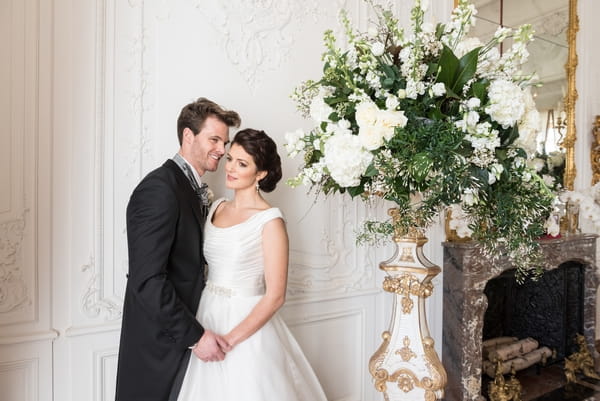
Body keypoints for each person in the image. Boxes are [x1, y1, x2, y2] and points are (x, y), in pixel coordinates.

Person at [176, 129, 328, 401]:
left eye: (242, 164)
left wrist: (230, 340)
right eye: (231, 159)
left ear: (261, 174)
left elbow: (275, 296)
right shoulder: (217, 206)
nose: (231, 168)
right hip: (207, 314)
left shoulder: (270, 221)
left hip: (246, 323)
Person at [115, 97, 241, 401]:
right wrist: (195, 336)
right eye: (214, 139)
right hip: (158, 347)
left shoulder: (190, 187)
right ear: (188, 136)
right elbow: (147, 282)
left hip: (185, 335)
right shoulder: (159, 189)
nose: (222, 151)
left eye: (224, 142)